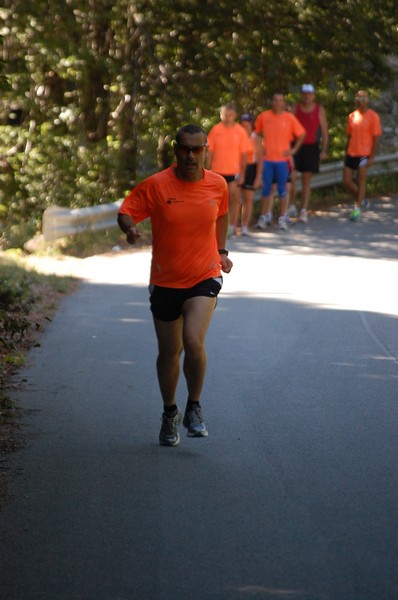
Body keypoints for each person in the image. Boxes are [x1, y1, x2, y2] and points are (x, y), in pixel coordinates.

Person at [117, 124, 233, 447]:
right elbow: (126, 212)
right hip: (166, 280)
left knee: (193, 340)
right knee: (169, 353)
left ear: (205, 150)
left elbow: (221, 215)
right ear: (175, 150)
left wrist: (221, 251)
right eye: (184, 149)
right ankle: (170, 412)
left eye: (197, 149)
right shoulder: (157, 185)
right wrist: (130, 230)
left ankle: (193, 406)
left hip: (204, 276)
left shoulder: (218, 185)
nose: (190, 156)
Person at [254, 92, 306, 231]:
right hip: (267, 160)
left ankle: (282, 217)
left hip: (283, 161)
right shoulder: (264, 116)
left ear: (283, 103)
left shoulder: (289, 118)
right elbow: (255, 134)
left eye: (280, 100)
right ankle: (263, 217)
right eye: (275, 100)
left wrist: (293, 150)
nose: (277, 103)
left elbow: (302, 134)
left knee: (283, 190)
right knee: (266, 190)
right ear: (272, 102)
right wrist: (259, 149)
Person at [206, 103, 249, 237]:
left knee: (234, 198)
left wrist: (242, 173)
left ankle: (232, 225)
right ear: (220, 115)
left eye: (230, 115)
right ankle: (215, 225)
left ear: (235, 116)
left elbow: (244, 154)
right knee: (215, 200)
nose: (227, 117)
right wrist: (207, 170)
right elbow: (209, 152)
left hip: (234, 171)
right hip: (217, 171)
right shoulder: (215, 130)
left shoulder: (240, 131)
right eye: (224, 114)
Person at [288, 84, 329, 223]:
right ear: (301, 95)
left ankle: (303, 209)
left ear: (314, 95)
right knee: (291, 177)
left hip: (311, 147)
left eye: (309, 93)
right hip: (295, 147)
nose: (307, 96)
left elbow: (324, 131)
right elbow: (288, 128)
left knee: (306, 179)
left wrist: (324, 149)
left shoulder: (319, 109)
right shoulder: (295, 108)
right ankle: (292, 205)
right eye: (304, 93)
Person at [343, 90, 382, 221]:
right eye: (359, 98)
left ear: (367, 100)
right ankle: (362, 199)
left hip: (364, 154)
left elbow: (376, 137)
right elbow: (349, 135)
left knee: (361, 178)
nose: (361, 100)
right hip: (351, 153)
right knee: (347, 181)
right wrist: (346, 150)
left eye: (363, 98)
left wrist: (372, 157)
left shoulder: (373, 116)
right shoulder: (352, 116)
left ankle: (357, 208)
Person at [238, 113, 263, 235]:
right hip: (237, 168)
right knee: (235, 199)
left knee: (248, 199)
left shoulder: (256, 139)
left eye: (247, 125)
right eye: (243, 125)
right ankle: (233, 225)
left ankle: (245, 225)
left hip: (251, 168)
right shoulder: (236, 137)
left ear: (252, 125)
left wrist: (258, 177)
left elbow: (259, 160)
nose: (245, 128)